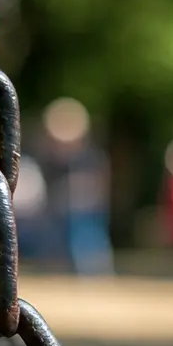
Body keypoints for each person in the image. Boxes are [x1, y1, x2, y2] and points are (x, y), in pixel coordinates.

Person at [38, 97, 113, 275]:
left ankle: (96, 272)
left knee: (89, 245)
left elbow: (97, 181)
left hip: (86, 209)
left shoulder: (90, 156)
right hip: (65, 209)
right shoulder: (56, 159)